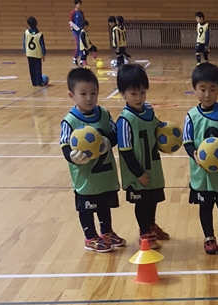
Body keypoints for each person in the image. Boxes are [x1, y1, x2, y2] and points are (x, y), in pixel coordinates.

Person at [59, 68, 125, 252]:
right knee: (87, 208)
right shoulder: (69, 121)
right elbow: (64, 145)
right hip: (86, 178)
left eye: (93, 93)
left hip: (105, 175)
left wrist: (107, 142)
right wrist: (72, 156)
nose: (89, 98)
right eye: (83, 94)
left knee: (104, 204)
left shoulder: (104, 114)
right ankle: (90, 236)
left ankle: (106, 231)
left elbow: (114, 135)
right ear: (72, 95)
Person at [183, 63, 218, 254]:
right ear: (195, 90)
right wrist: (194, 154)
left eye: (212, 89)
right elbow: (187, 141)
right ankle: (209, 236)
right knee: (205, 206)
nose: (207, 94)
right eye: (202, 89)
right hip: (202, 173)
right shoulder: (191, 116)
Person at [116, 64, 169, 249]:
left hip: (153, 166)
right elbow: (126, 151)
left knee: (153, 199)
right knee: (142, 202)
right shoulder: (125, 120)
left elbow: (157, 129)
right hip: (137, 171)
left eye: (142, 92)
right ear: (123, 93)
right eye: (133, 93)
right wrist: (138, 173)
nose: (139, 98)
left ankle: (151, 225)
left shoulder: (149, 111)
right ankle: (144, 232)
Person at [23, 17, 46, 87]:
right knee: (38, 68)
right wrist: (43, 53)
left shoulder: (26, 32)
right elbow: (42, 45)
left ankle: (34, 82)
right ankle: (39, 82)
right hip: (37, 53)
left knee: (31, 68)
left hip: (29, 53)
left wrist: (25, 50)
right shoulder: (39, 34)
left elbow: (24, 42)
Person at [69, 0, 85, 65]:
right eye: (79, 4)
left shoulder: (81, 13)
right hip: (76, 32)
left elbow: (84, 21)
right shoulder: (73, 12)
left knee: (83, 45)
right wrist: (74, 28)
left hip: (81, 31)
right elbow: (70, 22)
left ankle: (82, 59)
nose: (80, 6)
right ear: (76, 4)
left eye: (81, 4)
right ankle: (75, 58)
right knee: (78, 45)